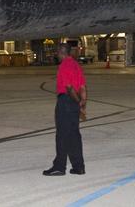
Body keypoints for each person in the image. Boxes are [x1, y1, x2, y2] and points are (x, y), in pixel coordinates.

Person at [42, 42, 86, 176]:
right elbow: (82, 87)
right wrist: (82, 102)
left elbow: (69, 87)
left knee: (62, 135)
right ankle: (79, 167)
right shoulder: (76, 65)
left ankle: (59, 167)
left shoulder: (64, 65)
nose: (56, 55)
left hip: (66, 101)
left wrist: (78, 102)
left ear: (61, 52)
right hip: (74, 101)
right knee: (74, 135)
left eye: (57, 52)